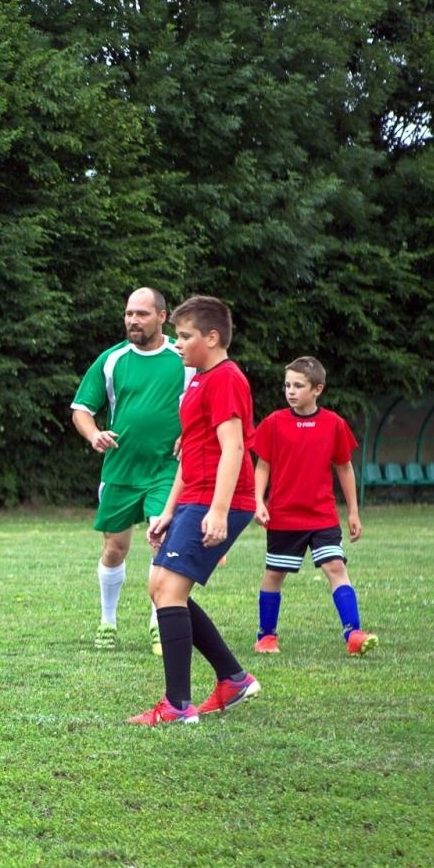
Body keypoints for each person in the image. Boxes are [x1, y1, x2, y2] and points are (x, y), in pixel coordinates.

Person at [132, 296, 260, 725]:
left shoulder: (225, 379)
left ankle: (177, 705)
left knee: (169, 591)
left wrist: (219, 511)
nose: (179, 343)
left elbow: (233, 448)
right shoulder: (199, 381)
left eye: (185, 336)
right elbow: (191, 452)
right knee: (160, 585)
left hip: (217, 499)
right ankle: (232, 678)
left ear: (212, 337)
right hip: (194, 498)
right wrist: (169, 510)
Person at [71, 288, 192, 654]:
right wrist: (93, 434)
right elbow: (81, 408)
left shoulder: (182, 357)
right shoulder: (112, 360)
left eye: (141, 314)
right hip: (121, 469)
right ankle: (108, 622)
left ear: (162, 316)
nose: (132, 321)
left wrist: (192, 435)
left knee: (163, 541)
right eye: (128, 314)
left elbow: (205, 400)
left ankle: (159, 622)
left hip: (165, 469)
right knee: (114, 548)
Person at [250, 357, 378, 656]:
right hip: (283, 516)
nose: (290, 391)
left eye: (298, 385)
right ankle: (266, 636)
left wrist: (354, 512)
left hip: (322, 515)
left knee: (335, 566)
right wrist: (258, 501)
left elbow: (345, 469)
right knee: (274, 574)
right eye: (287, 385)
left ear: (317, 389)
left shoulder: (334, 424)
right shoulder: (273, 423)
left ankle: (354, 634)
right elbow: (263, 467)